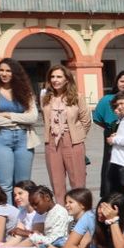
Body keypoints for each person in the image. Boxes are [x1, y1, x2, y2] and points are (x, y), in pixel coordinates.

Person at [40, 65, 90, 198]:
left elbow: (86, 120)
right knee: (57, 182)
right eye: (52, 77)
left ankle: (81, 214)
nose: (55, 80)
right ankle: (62, 214)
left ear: (67, 80)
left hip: (72, 141)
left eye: (59, 77)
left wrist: (77, 135)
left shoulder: (77, 97)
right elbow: (45, 120)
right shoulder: (45, 98)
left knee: (77, 182)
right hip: (51, 142)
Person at [0, 58, 39, 188]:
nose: (4, 74)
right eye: (1, 70)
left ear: (15, 73)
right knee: (5, 184)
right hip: (0, 139)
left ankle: (22, 209)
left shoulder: (25, 91)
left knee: (23, 183)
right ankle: (7, 209)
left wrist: (9, 115)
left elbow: (33, 117)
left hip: (24, 139)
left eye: (8, 71)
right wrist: (19, 120)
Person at [91, 70, 124, 197]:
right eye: (122, 81)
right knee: (110, 167)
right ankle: (110, 196)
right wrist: (112, 129)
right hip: (111, 135)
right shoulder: (106, 99)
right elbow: (98, 119)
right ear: (117, 82)